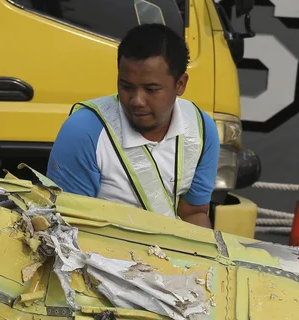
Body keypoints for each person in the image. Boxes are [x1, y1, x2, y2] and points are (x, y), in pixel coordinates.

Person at [46, 23, 220, 228]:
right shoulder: (82, 131)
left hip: (170, 256)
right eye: (126, 86)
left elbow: (193, 214)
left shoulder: (202, 129)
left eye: (151, 89)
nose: (136, 100)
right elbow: (67, 226)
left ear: (180, 84)